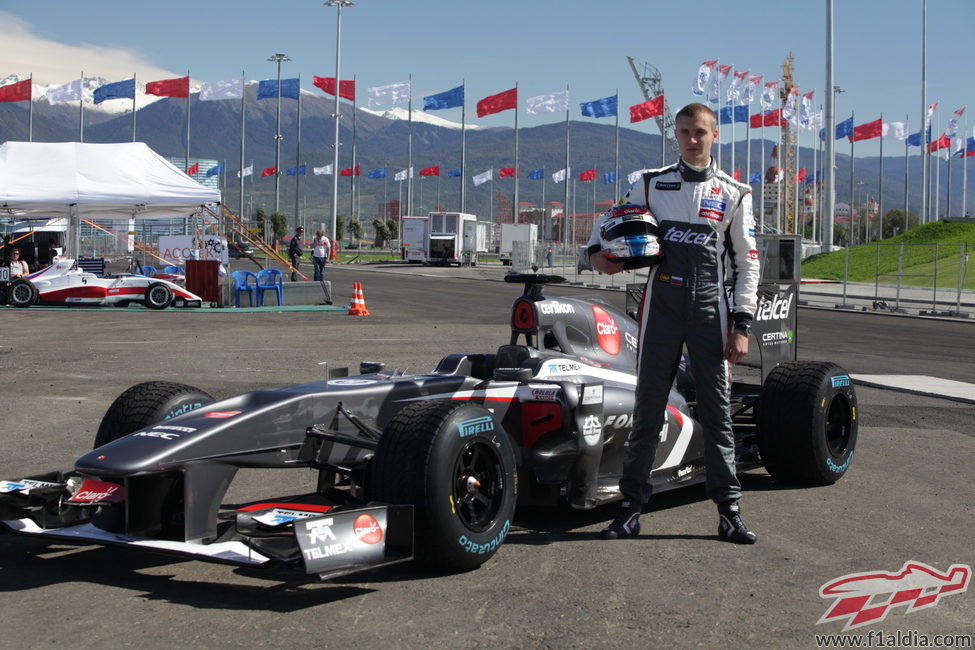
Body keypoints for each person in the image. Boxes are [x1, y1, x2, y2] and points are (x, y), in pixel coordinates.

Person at [588, 102, 761, 544]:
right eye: (684, 132)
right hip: (659, 309)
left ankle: (729, 511)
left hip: (711, 312)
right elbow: (605, 233)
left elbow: (748, 263)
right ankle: (629, 510)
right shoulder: (649, 184)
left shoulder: (735, 192)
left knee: (718, 414)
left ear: (714, 135)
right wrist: (601, 259)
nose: (692, 139)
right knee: (647, 409)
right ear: (676, 136)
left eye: (700, 132)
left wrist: (742, 325)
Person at [312, 229, 333, 305]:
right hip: (316, 256)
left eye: (319, 237)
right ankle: (315, 283)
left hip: (323, 257)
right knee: (316, 270)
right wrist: (316, 242)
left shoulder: (325, 239)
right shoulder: (315, 239)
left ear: (322, 236)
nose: (319, 238)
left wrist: (327, 258)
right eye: (318, 236)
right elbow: (313, 247)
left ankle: (322, 283)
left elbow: (328, 248)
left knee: (322, 271)